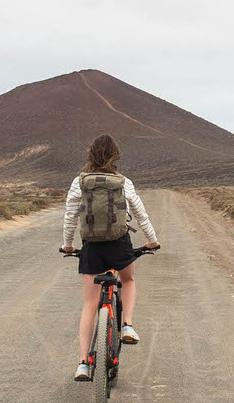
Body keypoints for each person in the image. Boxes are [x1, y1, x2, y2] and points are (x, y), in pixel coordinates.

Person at [60, 133, 160, 381]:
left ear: (90, 154)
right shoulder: (123, 182)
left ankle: (83, 363)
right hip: (119, 244)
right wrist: (152, 241)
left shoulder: (79, 182)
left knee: (89, 305)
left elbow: (70, 216)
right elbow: (140, 212)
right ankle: (126, 324)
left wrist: (68, 245)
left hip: (92, 246)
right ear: (115, 155)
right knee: (128, 280)